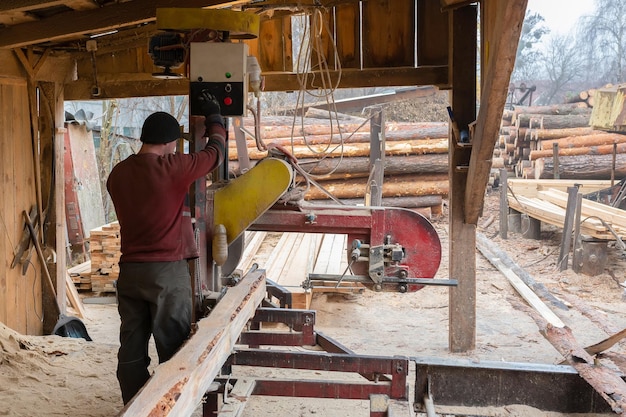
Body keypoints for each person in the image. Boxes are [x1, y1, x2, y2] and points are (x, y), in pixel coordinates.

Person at [106, 98, 225, 404]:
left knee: (131, 347)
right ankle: (172, 407)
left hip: (130, 272)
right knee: (174, 349)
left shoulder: (117, 175)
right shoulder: (173, 168)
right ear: (171, 143)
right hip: (166, 274)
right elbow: (215, 155)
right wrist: (216, 119)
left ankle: (135, 407)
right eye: (174, 145)